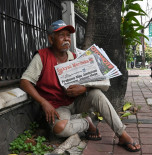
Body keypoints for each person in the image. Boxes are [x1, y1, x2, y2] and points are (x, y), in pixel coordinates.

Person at [20, 20, 140, 153]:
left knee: (96, 94)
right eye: (61, 35)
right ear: (51, 39)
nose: (66, 39)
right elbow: (25, 81)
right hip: (57, 107)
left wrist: (84, 89)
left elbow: (92, 80)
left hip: (76, 102)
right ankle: (87, 123)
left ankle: (122, 134)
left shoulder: (77, 58)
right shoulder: (42, 56)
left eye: (68, 35)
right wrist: (43, 102)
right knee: (59, 129)